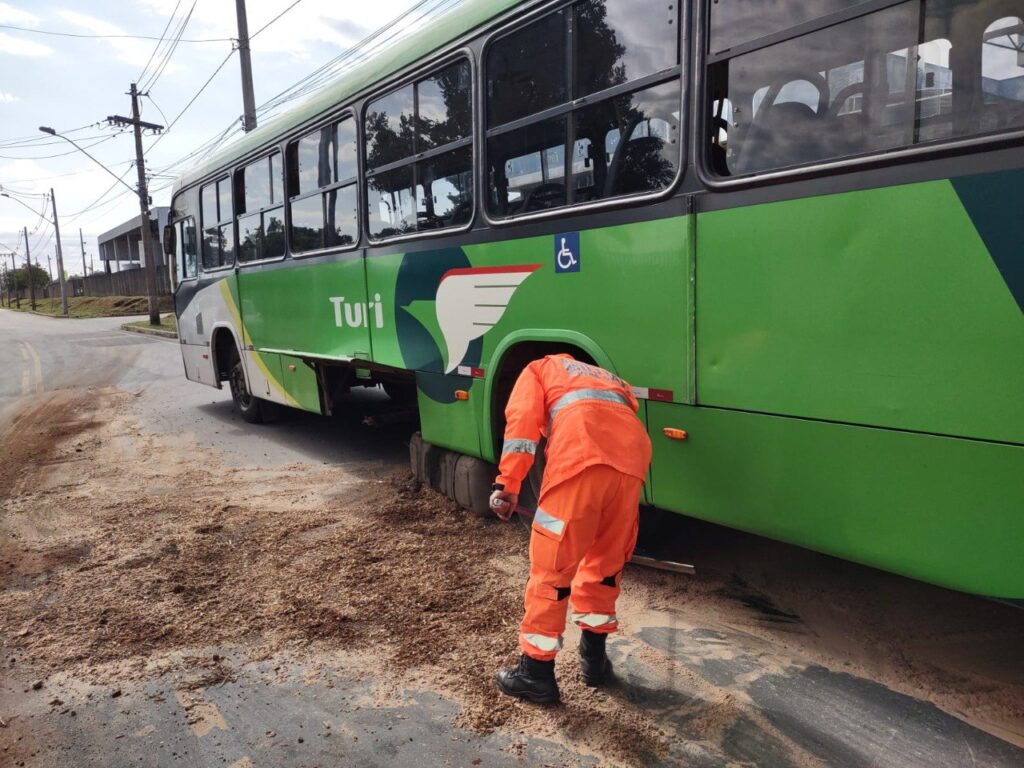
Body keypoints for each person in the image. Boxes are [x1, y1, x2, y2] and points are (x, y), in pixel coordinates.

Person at [489, 353, 652, 703]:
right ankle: (595, 664)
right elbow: (629, 409)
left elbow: (522, 426)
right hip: (631, 460)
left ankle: (535, 674)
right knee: (605, 565)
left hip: (579, 456)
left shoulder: (537, 369)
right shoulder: (604, 374)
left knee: (553, 566)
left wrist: (508, 484)